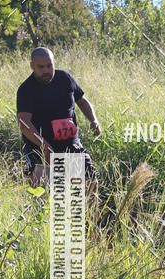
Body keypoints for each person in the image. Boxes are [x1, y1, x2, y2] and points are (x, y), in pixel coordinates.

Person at [16, 47, 101, 191]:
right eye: (41, 67)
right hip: (40, 147)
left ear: (54, 62)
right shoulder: (26, 89)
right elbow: (23, 122)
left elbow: (82, 101)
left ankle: (90, 214)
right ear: (32, 66)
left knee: (90, 183)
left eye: (49, 65)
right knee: (41, 191)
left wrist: (93, 120)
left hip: (70, 143)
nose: (46, 71)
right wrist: (44, 145)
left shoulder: (65, 78)